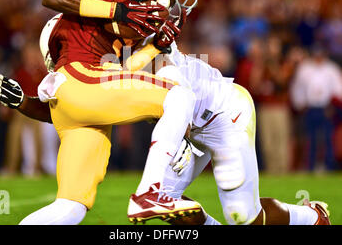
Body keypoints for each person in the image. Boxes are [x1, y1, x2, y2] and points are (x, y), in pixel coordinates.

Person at [0, 0, 204, 225]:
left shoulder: (144, 11)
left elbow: (116, 73)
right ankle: (151, 193)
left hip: (83, 100)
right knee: (180, 95)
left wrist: (155, 47)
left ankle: (165, 171)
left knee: (70, 208)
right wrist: (117, 11)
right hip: (83, 76)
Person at [127, 36, 330, 225]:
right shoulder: (121, 58)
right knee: (163, 200)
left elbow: (181, 97)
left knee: (242, 216)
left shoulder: (158, 63)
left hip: (225, 115)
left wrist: (180, 136)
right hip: (194, 123)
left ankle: (312, 216)